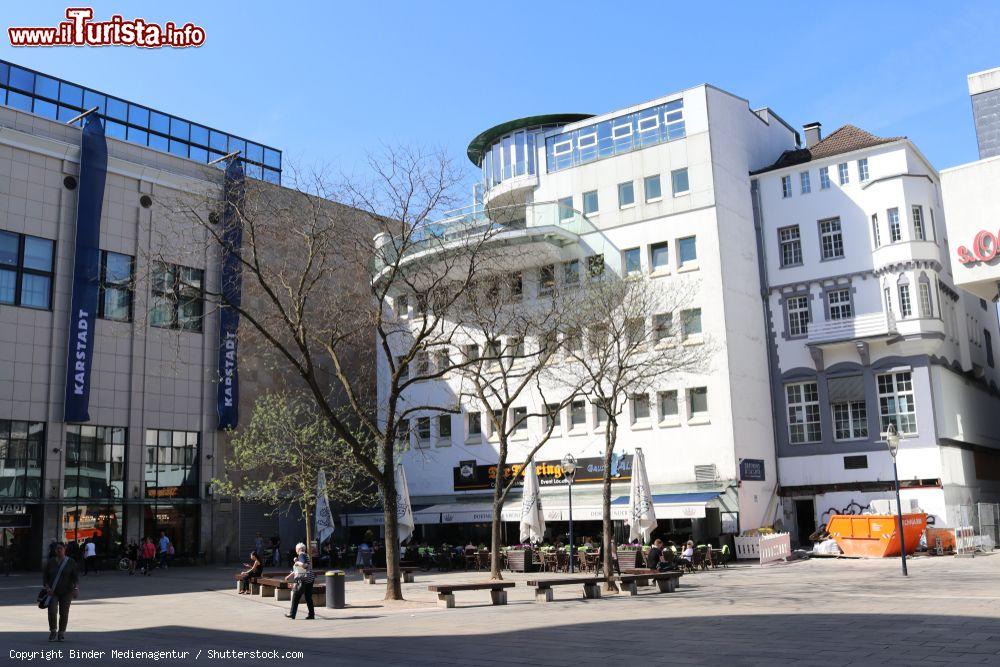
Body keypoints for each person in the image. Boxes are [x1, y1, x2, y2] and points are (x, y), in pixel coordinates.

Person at [42, 542, 79, 642]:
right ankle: (53, 631)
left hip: (67, 591)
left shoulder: (71, 562)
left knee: (64, 612)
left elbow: (75, 577)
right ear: (55, 550)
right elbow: (45, 577)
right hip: (52, 592)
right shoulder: (51, 562)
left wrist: (76, 588)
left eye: (60, 548)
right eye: (57, 549)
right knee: (52, 611)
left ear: (64, 549)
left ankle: (61, 632)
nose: (59, 550)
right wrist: (47, 588)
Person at [284, 543, 315, 619]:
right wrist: (289, 576)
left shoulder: (302, 555)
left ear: (298, 549)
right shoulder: (305, 555)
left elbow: (304, 565)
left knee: (296, 596)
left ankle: (292, 614)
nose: (296, 551)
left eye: (296, 549)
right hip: (310, 579)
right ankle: (311, 614)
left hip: (304, 580)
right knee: (308, 597)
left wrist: (296, 562)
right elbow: (300, 569)